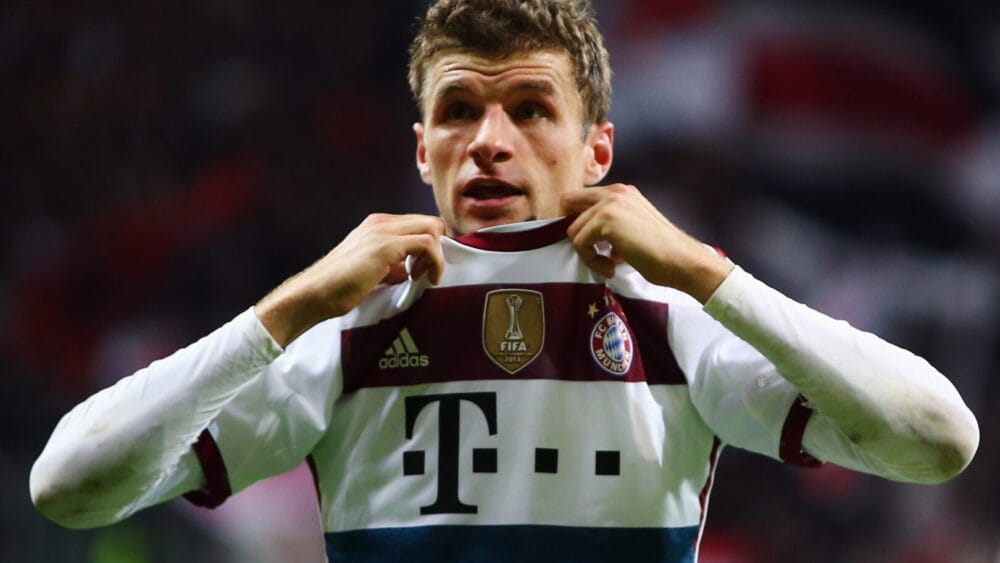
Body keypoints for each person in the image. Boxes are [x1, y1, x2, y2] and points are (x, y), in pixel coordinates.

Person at [30, 1, 979, 561]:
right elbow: (68, 487)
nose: (489, 140)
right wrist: (287, 308)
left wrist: (708, 271)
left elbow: (938, 440)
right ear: (422, 150)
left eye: (529, 108)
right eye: (459, 110)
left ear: (596, 148)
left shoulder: (675, 316)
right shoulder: (345, 326)